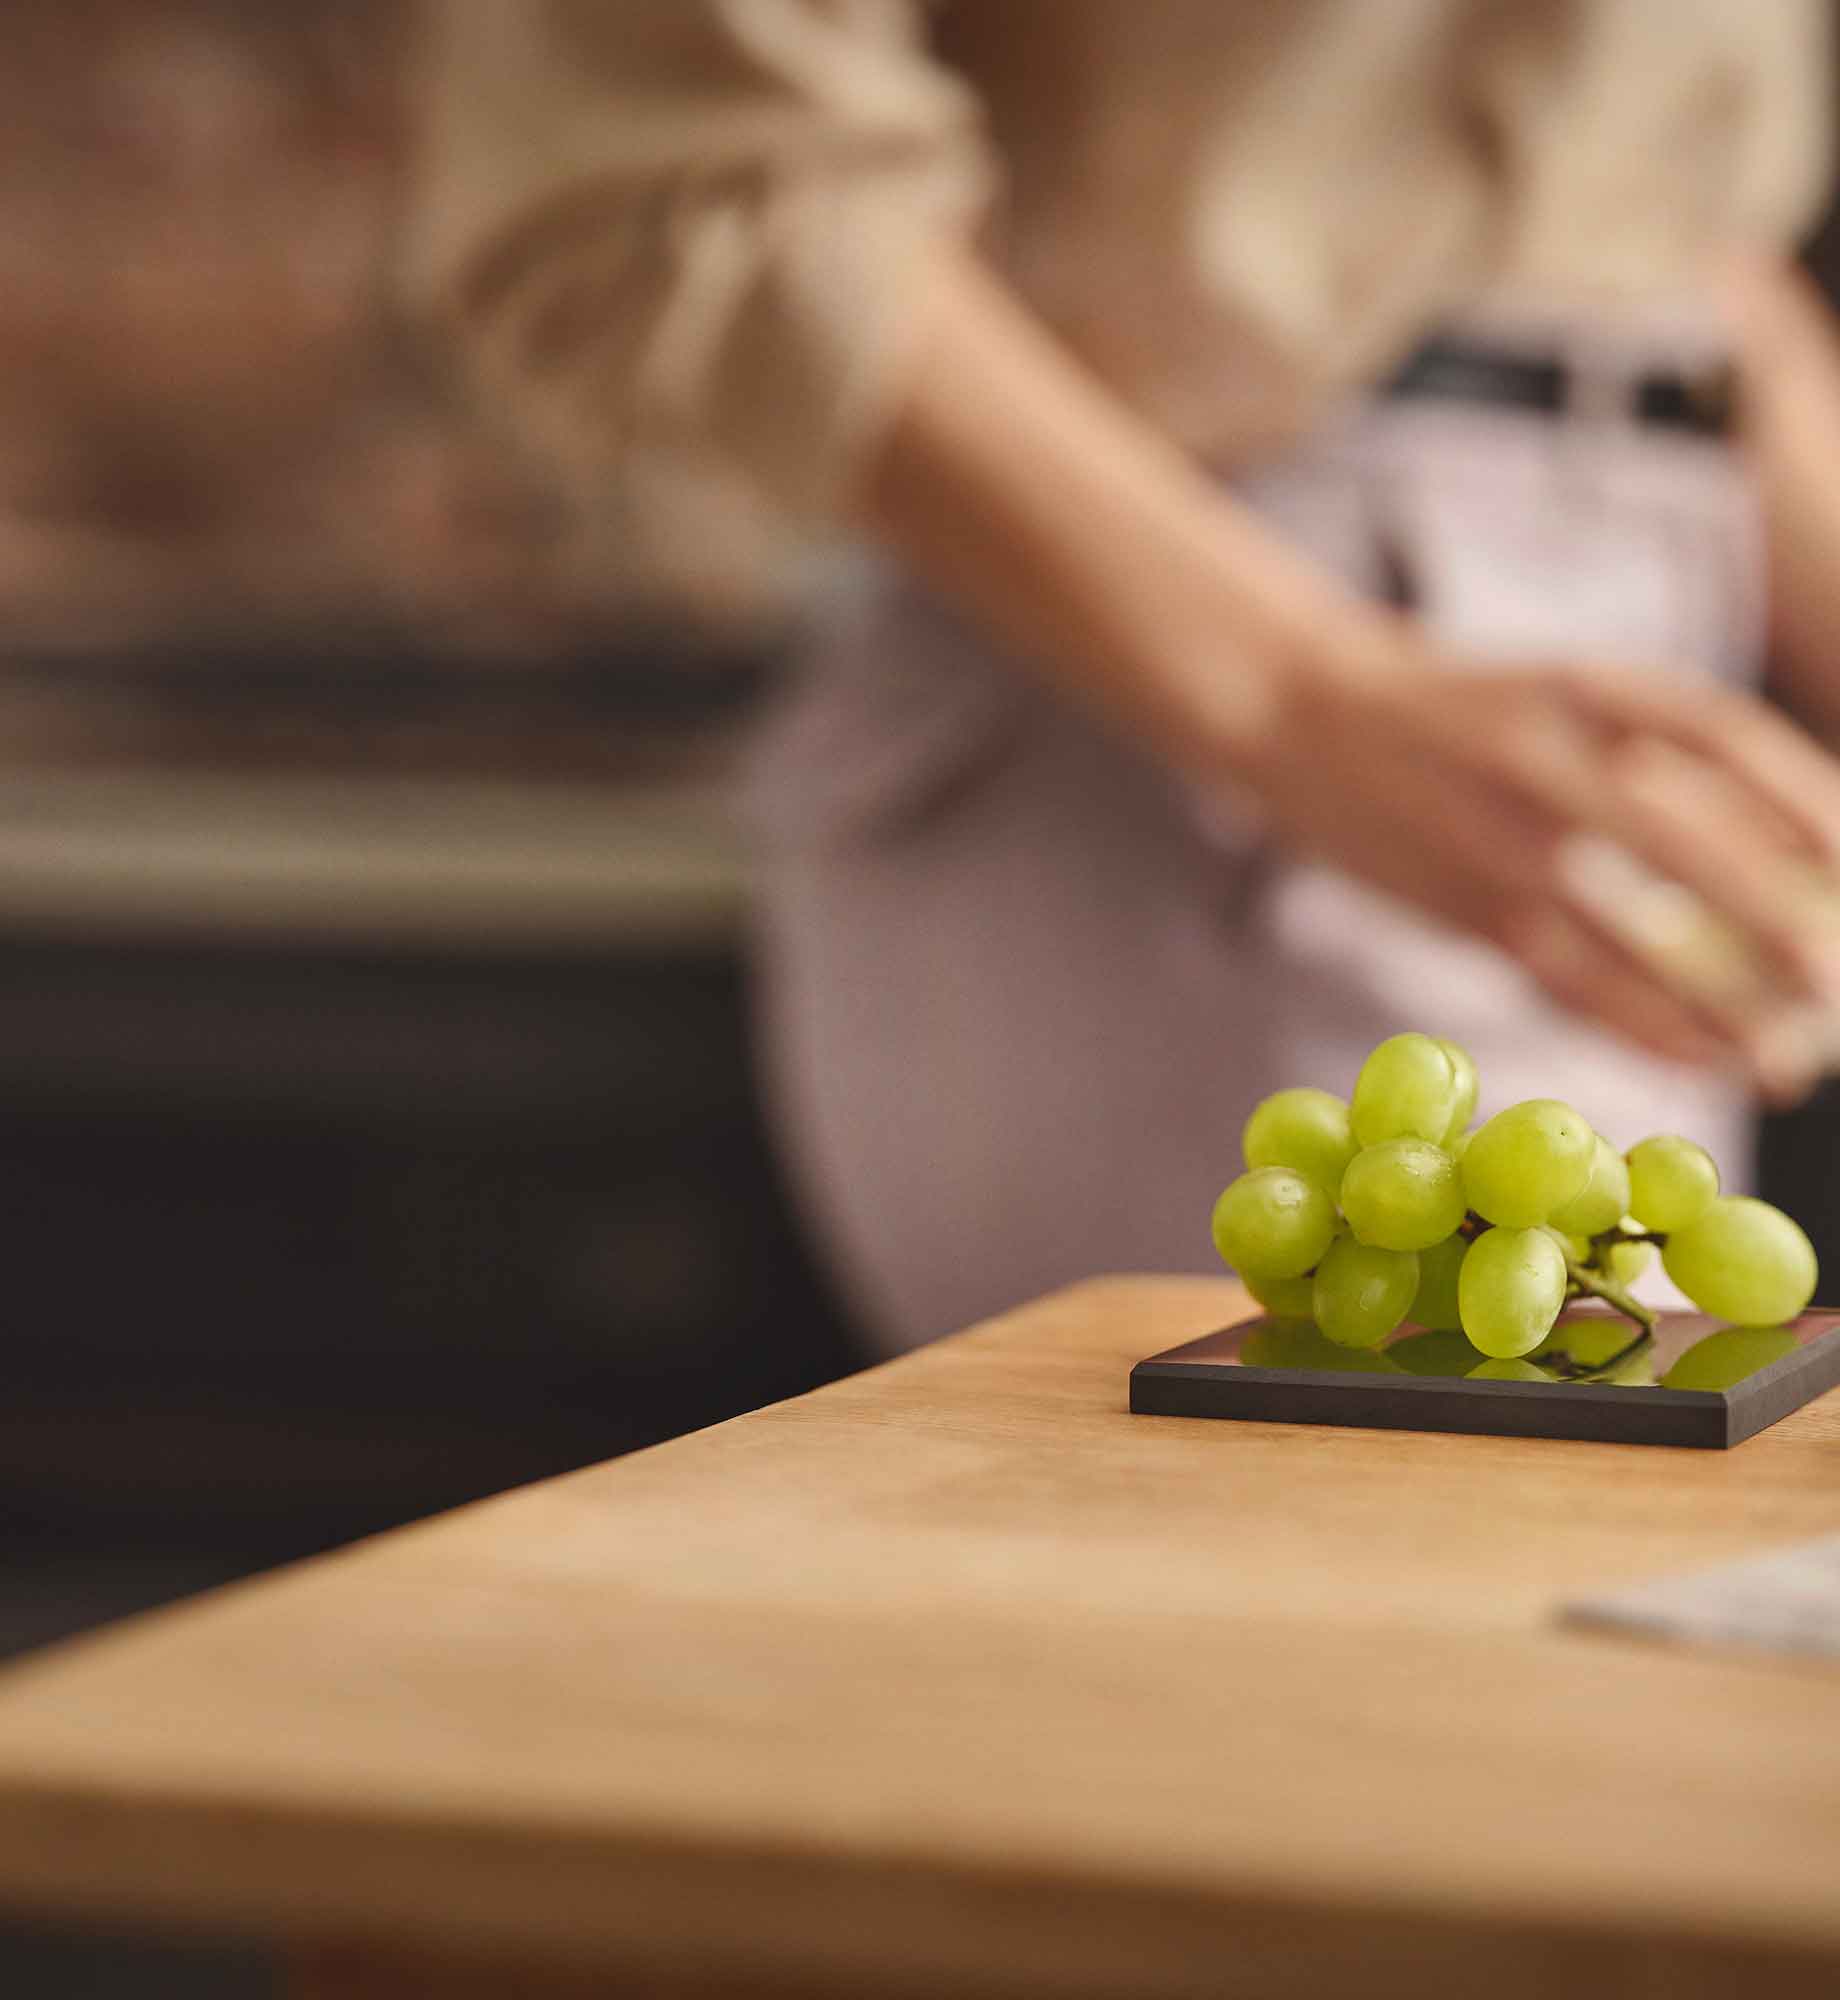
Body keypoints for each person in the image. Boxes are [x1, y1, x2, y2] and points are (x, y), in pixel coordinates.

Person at [406, 1, 1840, 1350]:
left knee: (1532, 1549)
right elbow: (665, 167)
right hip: (1196, 662)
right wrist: (1299, 696)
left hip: (1638, 626)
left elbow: (1673, 246)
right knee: (1385, 1532)